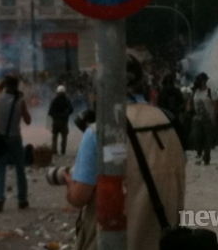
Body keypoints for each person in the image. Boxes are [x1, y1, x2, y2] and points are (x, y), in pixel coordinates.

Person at [63, 50, 185, 250]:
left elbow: (79, 197)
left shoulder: (101, 131)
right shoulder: (169, 122)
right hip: (164, 242)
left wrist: (69, 184)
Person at [0, 74, 31, 212]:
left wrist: (4, 81)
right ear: (16, 86)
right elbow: (28, 121)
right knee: (20, 169)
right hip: (15, 138)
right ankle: (22, 199)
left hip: (0, 138)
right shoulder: (20, 101)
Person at [187, 72, 218, 165]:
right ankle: (199, 152)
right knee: (196, 136)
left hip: (208, 118)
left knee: (207, 139)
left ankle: (206, 157)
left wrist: (213, 116)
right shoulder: (195, 92)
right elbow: (189, 104)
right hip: (197, 118)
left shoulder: (210, 92)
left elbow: (216, 105)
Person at [48, 85, 73, 155]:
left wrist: (55, 116)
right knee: (64, 138)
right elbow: (71, 110)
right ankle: (63, 151)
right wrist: (66, 114)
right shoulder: (67, 100)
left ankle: (54, 151)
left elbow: (50, 112)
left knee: (54, 138)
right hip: (64, 122)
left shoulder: (54, 100)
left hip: (56, 122)